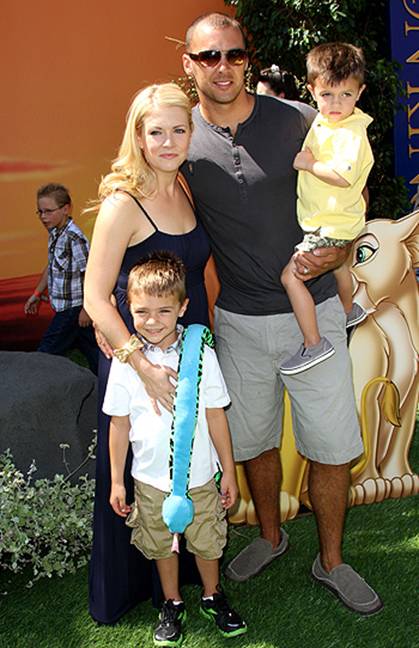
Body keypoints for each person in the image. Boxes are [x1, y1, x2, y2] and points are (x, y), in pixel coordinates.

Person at [181, 12, 383, 615]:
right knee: (254, 442)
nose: (223, 66)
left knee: (332, 446)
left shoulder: (299, 118)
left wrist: (340, 253)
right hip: (239, 321)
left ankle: (332, 560)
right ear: (189, 65)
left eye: (234, 54)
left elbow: (355, 192)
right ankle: (271, 536)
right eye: (209, 56)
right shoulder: (179, 137)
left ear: (248, 59)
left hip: (313, 314)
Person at [84, 83, 211, 624]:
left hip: (189, 345)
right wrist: (140, 364)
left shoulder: (184, 185)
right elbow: (95, 296)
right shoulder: (123, 203)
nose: (168, 141)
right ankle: (133, 586)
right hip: (139, 357)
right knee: (141, 467)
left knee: (188, 457)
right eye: (156, 132)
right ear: (138, 136)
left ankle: (189, 576)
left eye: (179, 130)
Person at [103, 251, 247, 646]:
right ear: (128, 310)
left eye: (164, 311)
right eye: (142, 312)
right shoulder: (126, 362)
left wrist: (229, 470)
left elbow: (216, 415)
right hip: (149, 480)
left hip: (200, 477)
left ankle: (212, 595)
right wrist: (117, 481)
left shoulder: (201, 354)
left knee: (207, 540)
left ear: (183, 307)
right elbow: (119, 424)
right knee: (161, 542)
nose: (152, 321)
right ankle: (171, 602)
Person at [280, 43, 373, 375]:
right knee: (340, 267)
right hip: (335, 221)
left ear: (359, 92)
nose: (336, 104)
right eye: (327, 95)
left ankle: (313, 342)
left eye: (346, 95)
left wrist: (309, 164)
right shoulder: (328, 121)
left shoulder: (351, 134)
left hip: (331, 225)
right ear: (312, 91)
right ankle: (349, 311)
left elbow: (343, 175)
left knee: (290, 277)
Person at [24, 183, 98, 374]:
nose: (43, 217)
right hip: (66, 308)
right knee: (94, 352)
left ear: (66, 209)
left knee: (45, 352)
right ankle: (105, 380)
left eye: (48, 211)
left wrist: (87, 309)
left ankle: (34, 382)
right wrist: (37, 293)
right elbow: (51, 266)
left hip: (73, 309)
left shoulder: (75, 238)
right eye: (40, 212)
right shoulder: (55, 233)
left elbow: (90, 273)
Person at [256, 64, 317, 128]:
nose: (258, 101)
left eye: (263, 97)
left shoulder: (304, 113)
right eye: (257, 96)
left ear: (281, 97)